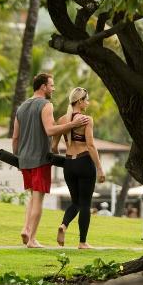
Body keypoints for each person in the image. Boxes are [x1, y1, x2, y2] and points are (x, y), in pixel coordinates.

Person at [12, 73, 90, 248]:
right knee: (38, 199)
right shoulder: (46, 105)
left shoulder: (21, 107)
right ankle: (31, 239)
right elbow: (49, 130)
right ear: (43, 87)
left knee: (32, 197)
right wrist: (70, 125)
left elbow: (15, 138)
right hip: (40, 158)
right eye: (51, 85)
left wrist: (18, 158)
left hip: (24, 159)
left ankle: (26, 228)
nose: (53, 88)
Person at [53, 87, 105, 249]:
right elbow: (90, 145)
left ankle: (64, 225)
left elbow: (54, 147)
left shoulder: (62, 120)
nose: (88, 103)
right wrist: (100, 168)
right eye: (87, 100)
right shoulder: (86, 120)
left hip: (69, 164)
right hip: (84, 162)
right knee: (84, 204)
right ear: (80, 101)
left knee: (75, 202)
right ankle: (82, 242)